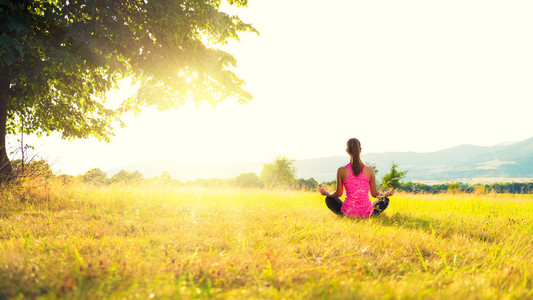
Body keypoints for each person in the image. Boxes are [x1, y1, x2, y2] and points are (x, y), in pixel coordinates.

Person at [319, 138, 394, 218]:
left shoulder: (341, 170)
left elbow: (338, 193)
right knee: (385, 200)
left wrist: (326, 193)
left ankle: (345, 215)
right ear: (360, 150)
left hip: (348, 211)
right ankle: (368, 215)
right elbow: (375, 194)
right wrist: (387, 194)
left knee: (329, 199)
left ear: (347, 151)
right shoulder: (370, 170)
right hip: (366, 212)